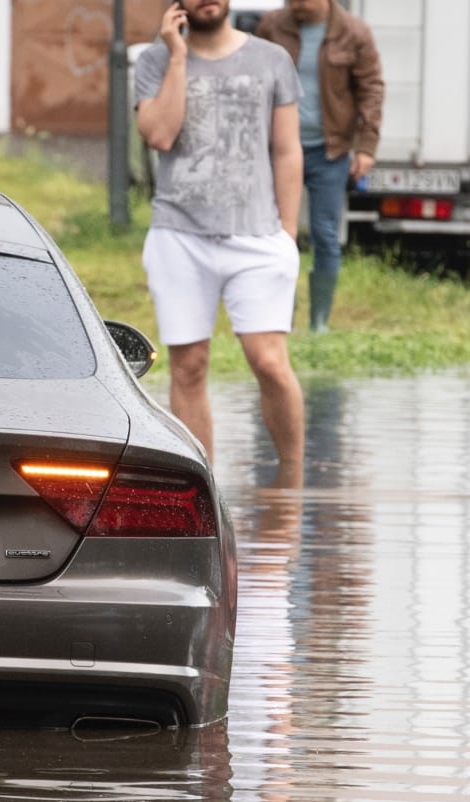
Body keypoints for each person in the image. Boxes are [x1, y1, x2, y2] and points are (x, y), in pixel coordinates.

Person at [134, 0, 305, 486]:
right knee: (189, 368)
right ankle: (202, 493)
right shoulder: (154, 60)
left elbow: (287, 150)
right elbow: (161, 135)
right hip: (179, 235)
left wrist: (287, 234)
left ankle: (291, 487)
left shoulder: (272, 59)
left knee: (269, 362)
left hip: (258, 236)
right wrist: (177, 55)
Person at [255, 0, 385, 334]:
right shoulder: (272, 26)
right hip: (279, 148)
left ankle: (319, 323)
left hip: (330, 151)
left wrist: (366, 147)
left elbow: (371, 89)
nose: (295, 3)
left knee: (325, 234)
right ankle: (282, 319)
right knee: (278, 235)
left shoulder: (354, 32)